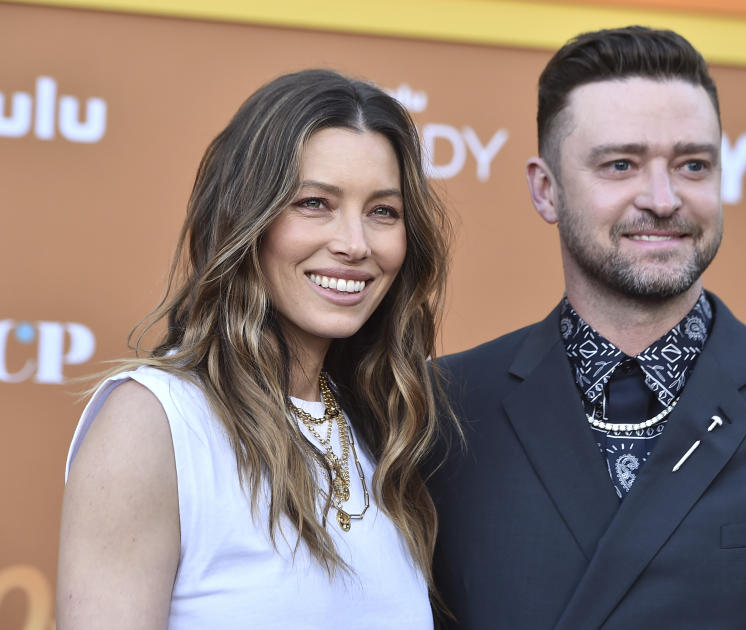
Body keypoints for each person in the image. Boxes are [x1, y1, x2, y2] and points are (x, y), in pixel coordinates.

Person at [428, 26, 746, 629]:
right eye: (621, 164)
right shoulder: (441, 412)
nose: (664, 198)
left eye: (693, 164)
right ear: (546, 190)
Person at [57, 69, 453, 629]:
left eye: (383, 211)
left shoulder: (385, 431)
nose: (354, 244)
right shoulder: (155, 421)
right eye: (315, 203)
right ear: (245, 217)